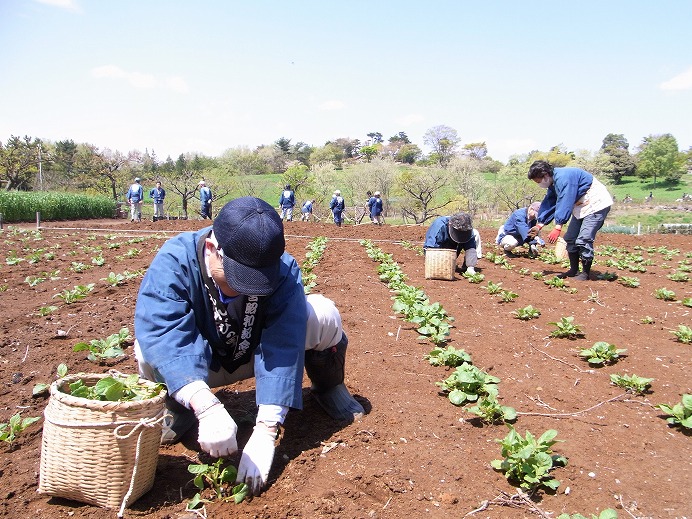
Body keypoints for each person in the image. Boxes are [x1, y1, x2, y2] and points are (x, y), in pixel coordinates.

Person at [133, 196, 364, 497]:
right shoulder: (174, 261)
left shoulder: (283, 269)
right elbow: (164, 333)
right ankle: (180, 407)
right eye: (237, 277)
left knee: (322, 313)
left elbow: (284, 340)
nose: (244, 289)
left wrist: (268, 428)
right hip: (201, 364)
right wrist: (205, 404)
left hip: (253, 356)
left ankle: (329, 387)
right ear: (212, 250)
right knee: (146, 348)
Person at [528, 160, 613, 281]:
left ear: (545, 175)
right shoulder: (553, 183)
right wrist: (539, 225)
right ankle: (574, 270)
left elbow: (565, 200)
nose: (539, 184)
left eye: (538, 181)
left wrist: (558, 226)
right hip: (581, 206)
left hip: (595, 203)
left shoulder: (564, 178)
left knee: (584, 239)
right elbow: (551, 202)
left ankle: (585, 273)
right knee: (570, 238)